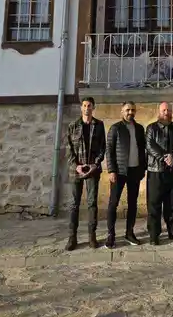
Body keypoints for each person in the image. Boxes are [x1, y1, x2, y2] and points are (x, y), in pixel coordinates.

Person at [64, 97, 106, 251]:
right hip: (76, 171)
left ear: (93, 108)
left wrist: (95, 164)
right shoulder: (73, 126)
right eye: (84, 105)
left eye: (89, 106)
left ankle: (91, 236)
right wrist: (76, 166)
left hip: (92, 170)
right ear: (81, 108)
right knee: (74, 204)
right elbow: (68, 149)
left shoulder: (99, 125)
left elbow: (102, 147)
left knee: (92, 203)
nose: (87, 108)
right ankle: (72, 237)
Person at [104, 101, 147, 249]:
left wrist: (143, 169)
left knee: (132, 203)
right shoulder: (115, 128)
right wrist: (111, 170)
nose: (130, 112)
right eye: (127, 110)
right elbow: (109, 150)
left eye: (133, 110)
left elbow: (143, 149)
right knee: (113, 203)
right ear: (122, 111)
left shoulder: (140, 128)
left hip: (135, 171)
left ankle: (129, 233)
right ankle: (111, 235)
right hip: (119, 172)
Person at [145, 101, 173, 245]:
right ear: (159, 112)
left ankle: (172, 230)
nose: (166, 113)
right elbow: (150, 145)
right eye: (164, 110)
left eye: (168, 110)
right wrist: (164, 157)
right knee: (154, 204)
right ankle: (154, 234)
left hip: (172, 171)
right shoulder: (151, 128)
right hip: (156, 171)